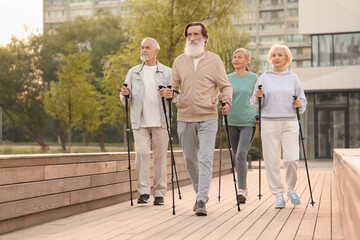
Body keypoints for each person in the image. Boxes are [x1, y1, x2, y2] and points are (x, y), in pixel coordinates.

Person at [164, 22, 232, 216]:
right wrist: (171, 94)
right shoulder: (179, 61)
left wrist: (226, 101)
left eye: (196, 34)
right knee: (189, 159)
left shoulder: (214, 60)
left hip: (208, 116)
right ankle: (199, 194)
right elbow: (173, 86)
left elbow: (225, 86)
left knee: (205, 158)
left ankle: (201, 199)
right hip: (184, 116)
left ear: (205, 38)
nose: (192, 38)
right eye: (189, 35)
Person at [250, 43, 307, 209]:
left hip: (290, 121)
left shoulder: (293, 78)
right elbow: (254, 102)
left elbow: (303, 102)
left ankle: (291, 189)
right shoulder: (264, 78)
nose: (276, 58)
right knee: (272, 161)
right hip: (269, 122)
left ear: (287, 58)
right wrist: (258, 96)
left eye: (280, 55)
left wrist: (298, 104)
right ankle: (278, 195)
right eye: (273, 55)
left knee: (291, 159)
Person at [120, 37, 171, 206]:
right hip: (139, 121)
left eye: (147, 48)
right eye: (142, 47)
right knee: (141, 154)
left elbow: (177, 97)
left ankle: (159, 193)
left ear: (156, 51)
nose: (144, 50)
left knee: (160, 157)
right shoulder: (134, 72)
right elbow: (123, 98)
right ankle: (143, 192)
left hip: (161, 121)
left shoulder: (167, 72)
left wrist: (170, 94)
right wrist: (125, 94)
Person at [219, 48, 258, 204]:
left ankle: (241, 190)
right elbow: (219, 99)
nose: (236, 60)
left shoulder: (254, 78)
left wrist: (259, 114)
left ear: (247, 61)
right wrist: (220, 99)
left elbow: (260, 98)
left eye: (240, 57)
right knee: (236, 155)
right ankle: (244, 184)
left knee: (241, 153)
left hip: (248, 121)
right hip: (231, 121)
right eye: (234, 57)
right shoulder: (226, 78)